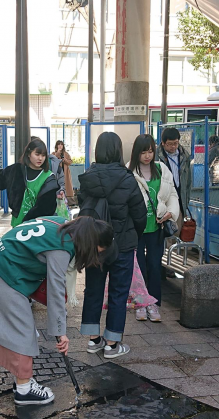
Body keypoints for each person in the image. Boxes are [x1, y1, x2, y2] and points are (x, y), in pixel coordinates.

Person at [0, 216, 114, 405]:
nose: (95, 257)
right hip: (4, 276)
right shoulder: (62, 248)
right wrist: (61, 332)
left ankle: (22, 380)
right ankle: (25, 390)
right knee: (23, 332)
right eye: (98, 252)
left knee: (22, 329)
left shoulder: (63, 225)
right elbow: (56, 290)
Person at [78, 132, 147, 359]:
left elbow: (83, 206)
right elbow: (140, 215)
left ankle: (92, 339)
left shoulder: (88, 177)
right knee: (118, 293)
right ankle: (111, 344)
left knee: (93, 290)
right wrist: (132, 236)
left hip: (94, 243)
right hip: (122, 245)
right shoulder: (127, 179)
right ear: (118, 151)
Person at [128, 135, 180, 322]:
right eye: (143, 152)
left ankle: (154, 304)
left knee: (154, 265)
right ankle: (141, 303)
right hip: (137, 228)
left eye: (150, 151)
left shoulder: (161, 169)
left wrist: (170, 213)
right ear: (136, 152)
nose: (147, 155)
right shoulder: (129, 171)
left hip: (157, 227)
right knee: (139, 267)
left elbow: (172, 194)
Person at [0, 138, 62, 228]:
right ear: (28, 154)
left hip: (38, 227)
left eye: (43, 155)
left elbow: (46, 208)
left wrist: (27, 222)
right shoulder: (17, 170)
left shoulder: (49, 178)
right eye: (37, 154)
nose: (40, 158)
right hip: (17, 225)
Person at [158, 127, 193, 235]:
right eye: (170, 144)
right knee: (161, 233)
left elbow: (188, 182)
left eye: (176, 143)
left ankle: (173, 250)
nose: (173, 146)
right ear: (163, 143)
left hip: (179, 198)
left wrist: (185, 202)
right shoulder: (156, 156)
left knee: (175, 231)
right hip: (162, 199)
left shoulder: (184, 156)